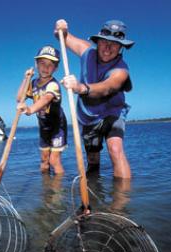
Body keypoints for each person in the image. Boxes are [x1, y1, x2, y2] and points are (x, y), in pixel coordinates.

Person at [55, 19, 134, 180]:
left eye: (114, 44)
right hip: (88, 116)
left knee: (115, 149)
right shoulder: (86, 51)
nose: (108, 48)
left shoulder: (122, 70)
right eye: (104, 42)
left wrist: (80, 88)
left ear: (121, 47)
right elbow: (63, 36)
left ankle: (122, 204)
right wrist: (61, 29)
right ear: (98, 41)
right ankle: (94, 194)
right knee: (92, 160)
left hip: (113, 112)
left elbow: (107, 88)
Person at [17, 45, 68, 175]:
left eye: (50, 65)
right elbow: (19, 98)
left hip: (57, 127)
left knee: (54, 160)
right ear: (36, 64)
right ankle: (45, 190)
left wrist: (29, 109)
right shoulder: (33, 83)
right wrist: (26, 79)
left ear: (56, 68)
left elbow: (45, 99)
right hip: (44, 127)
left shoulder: (53, 85)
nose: (46, 68)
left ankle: (57, 191)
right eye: (42, 63)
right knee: (44, 159)